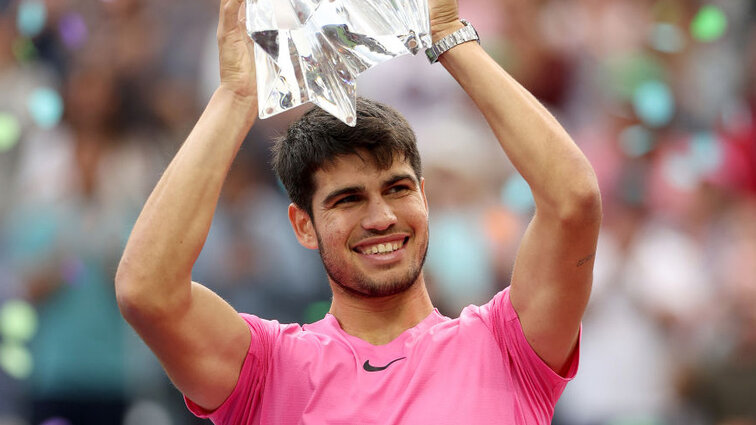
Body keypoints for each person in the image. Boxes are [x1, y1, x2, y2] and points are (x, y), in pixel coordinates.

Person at [114, 0, 602, 423]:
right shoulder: (266, 369)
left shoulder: (506, 347)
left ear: (424, 198)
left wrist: (451, 39)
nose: (381, 217)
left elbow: (573, 203)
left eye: (397, 189)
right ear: (303, 225)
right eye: (348, 199)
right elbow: (147, 292)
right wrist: (238, 96)